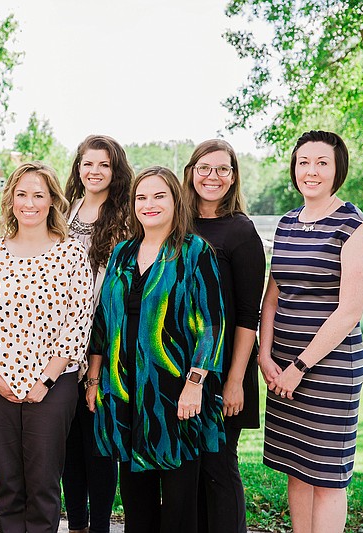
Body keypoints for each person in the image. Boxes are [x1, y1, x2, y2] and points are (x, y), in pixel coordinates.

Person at [86, 166, 225, 533]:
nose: (148, 204)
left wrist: (195, 382)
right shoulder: (122, 252)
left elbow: (212, 323)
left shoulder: (195, 252)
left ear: (175, 200)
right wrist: (94, 379)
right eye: (141, 197)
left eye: (158, 196)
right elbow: (104, 320)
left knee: (179, 509)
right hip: (125, 395)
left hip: (177, 396)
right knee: (136, 505)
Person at [0, 161, 94, 533]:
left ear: (53, 200)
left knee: (42, 484)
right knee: (8, 483)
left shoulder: (70, 255)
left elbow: (78, 324)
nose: (30, 203)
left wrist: (47, 381)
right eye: (22, 194)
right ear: (11, 200)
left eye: (39, 195)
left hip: (53, 385)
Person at [258, 131, 363, 533]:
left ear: (337, 169)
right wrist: (264, 354)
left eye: (322, 162)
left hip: (327, 371)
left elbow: (348, 312)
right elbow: (272, 295)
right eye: (304, 161)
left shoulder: (354, 225)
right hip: (282, 371)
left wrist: (299, 365)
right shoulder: (288, 222)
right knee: (296, 468)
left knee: (326, 477)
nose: (311, 171)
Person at [182, 140, 265, 533]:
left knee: (218, 467)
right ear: (191, 171)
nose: (212, 177)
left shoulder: (241, 231)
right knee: (188, 473)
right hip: (180, 369)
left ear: (233, 177)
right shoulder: (176, 224)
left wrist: (234, 381)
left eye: (222, 169)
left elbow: (249, 316)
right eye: (204, 168)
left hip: (224, 370)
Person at [61, 135, 133, 533]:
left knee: (99, 442)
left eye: (103, 165)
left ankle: (101, 525)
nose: (94, 171)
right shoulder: (64, 211)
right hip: (62, 340)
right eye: (88, 163)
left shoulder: (125, 216)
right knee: (70, 443)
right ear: (78, 167)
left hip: (106, 340)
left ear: (114, 169)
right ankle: (76, 524)